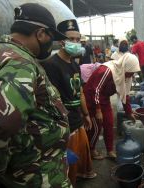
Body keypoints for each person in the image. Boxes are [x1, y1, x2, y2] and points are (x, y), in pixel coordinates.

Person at [0, 3, 71, 187]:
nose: (51, 43)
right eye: (51, 36)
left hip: (35, 163)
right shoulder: (19, 62)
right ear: (40, 34)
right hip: (38, 173)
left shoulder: (4, 53)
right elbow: (4, 121)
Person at [41, 19, 97, 186]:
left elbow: (79, 91)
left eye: (77, 39)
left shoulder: (74, 63)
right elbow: (52, 100)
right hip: (64, 123)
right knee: (69, 159)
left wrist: (86, 114)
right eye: (71, 39)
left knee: (81, 151)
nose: (75, 43)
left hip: (77, 117)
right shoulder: (51, 65)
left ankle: (81, 174)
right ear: (61, 42)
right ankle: (70, 180)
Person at [84, 53, 140, 159]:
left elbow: (125, 94)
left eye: (134, 72)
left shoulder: (126, 75)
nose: (132, 75)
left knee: (109, 123)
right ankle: (91, 150)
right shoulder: (107, 70)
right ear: (125, 67)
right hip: (91, 99)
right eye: (131, 72)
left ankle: (109, 151)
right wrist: (98, 110)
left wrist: (129, 112)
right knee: (96, 126)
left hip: (104, 98)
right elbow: (95, 90)